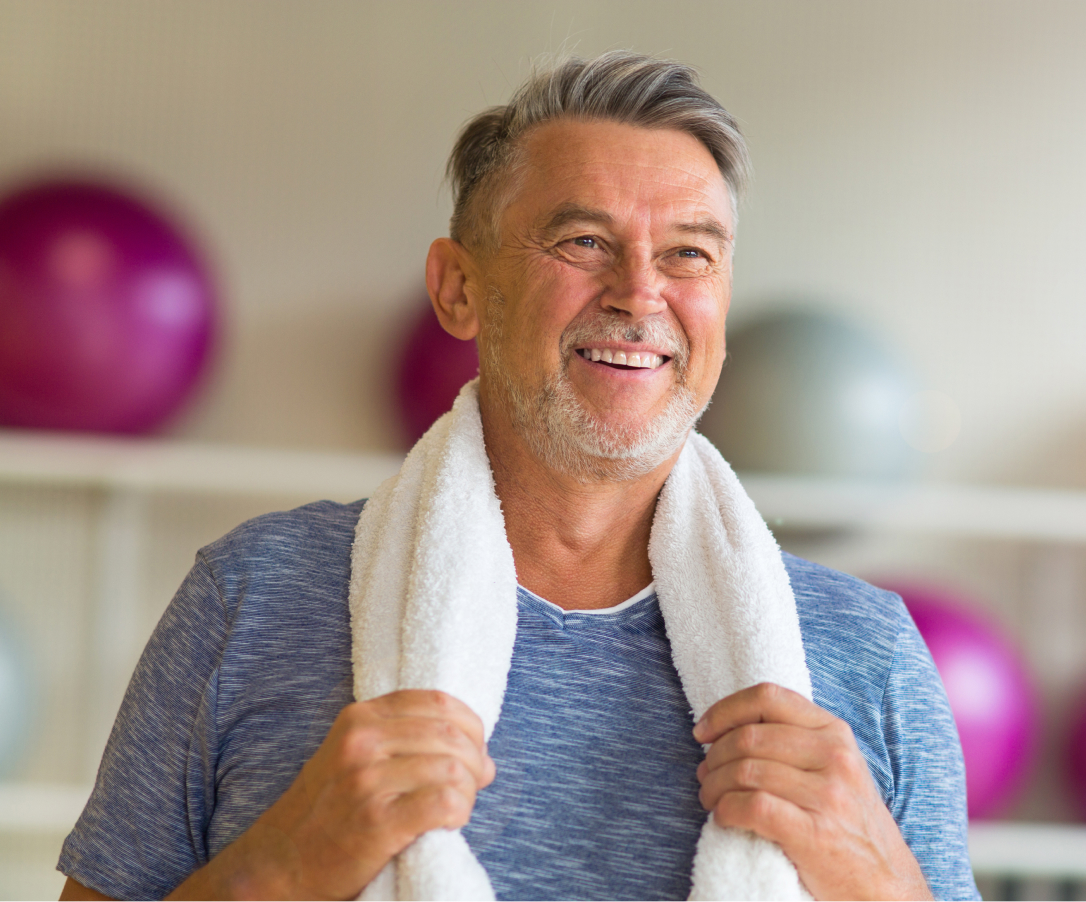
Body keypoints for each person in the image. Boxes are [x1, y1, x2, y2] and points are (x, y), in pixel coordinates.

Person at [59, 52, 977, 901]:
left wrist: (881, 882)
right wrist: (287, 864)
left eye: (688, 253)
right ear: (459, 288)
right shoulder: (252, 597)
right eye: (582, 240)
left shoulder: (868, 652)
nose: (639, 293)